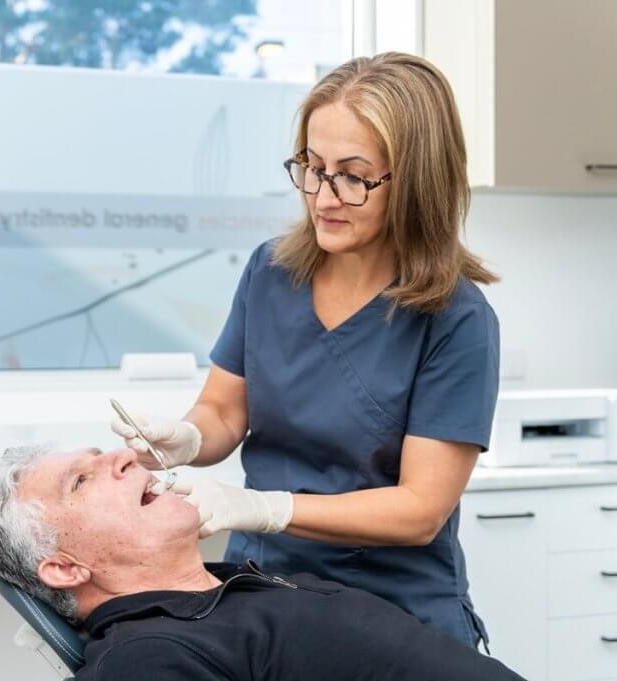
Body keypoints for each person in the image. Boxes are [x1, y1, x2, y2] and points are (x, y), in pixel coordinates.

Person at [110, 51, 501, 648]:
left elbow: (420, 509)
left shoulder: (456, 318)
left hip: (394, 620)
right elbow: (223, 411)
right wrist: (186, 438)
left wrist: (264, 508)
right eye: (312, 167)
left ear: (416, 177)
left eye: (353, 175)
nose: (323, 196)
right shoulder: (271, 271)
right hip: (262, 596)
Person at [0, 445, 525, 681]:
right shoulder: (146, 657)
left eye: (103, 454)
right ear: (65, 568)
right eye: (82, 480)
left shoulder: (222, 589)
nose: (122, 457)